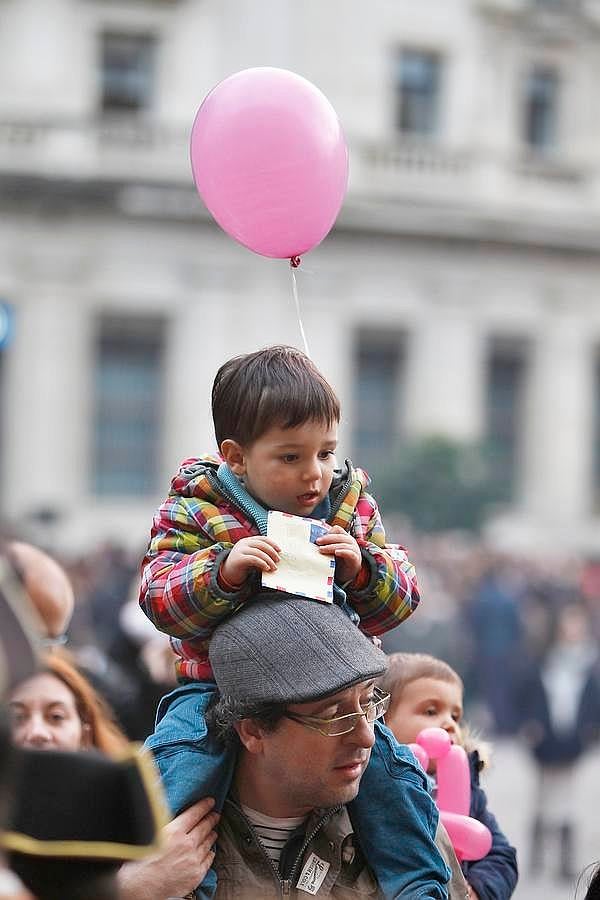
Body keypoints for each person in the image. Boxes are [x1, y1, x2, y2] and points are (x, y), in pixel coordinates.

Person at [140, 345, 425, 897]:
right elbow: (158, 599)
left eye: (325, 453)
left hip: (337, 693)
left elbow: (404, 598)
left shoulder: (350, 506)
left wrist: (364, 569)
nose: (313, 474)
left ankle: (421, 886)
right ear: (237, 456)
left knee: (397, 786)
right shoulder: (198, 508)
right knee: (179, 776)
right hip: (214, 692)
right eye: (290, 457)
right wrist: (223, 571)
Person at [206, 591, 462, 898]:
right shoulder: (168, 849)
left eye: (368, 703)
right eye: (333, 715)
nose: (366, 736)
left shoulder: (409, 824)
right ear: (253, 731)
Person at [7, 652, 219, 900]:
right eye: (16, 717)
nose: (37, 733)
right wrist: (131, 889)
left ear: (85, 736)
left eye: (56, 717)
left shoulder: (126, 821)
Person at [379, 652, 518, 900]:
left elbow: (501, 856)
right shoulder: (371, 787)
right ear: (383, 721)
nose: (450, 724)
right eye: (431, 711)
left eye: (455, 716)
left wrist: (477, 890)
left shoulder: (468, 787)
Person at [515, 601, 600, 881]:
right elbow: (527, 695)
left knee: (566, 799)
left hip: (573, 740)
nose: (573, 630)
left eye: (578, 624)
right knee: (542, 796)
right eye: (568, 624)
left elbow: (592, 702)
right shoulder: (544, 659)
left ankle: (565, 860)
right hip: (545, 739)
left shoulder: (590, 662)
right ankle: (538, 857)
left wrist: (591, 729)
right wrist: (530, 725)